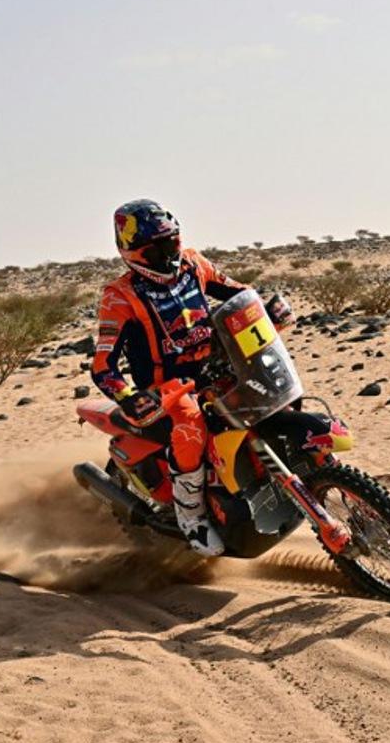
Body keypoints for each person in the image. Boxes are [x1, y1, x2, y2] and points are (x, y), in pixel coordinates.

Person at [90, 199, 293, 556]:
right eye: (156, 250)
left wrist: (268, 307)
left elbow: (239, 294)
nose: (168, 256)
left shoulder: (194, 263)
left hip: (215, 364)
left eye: (172, 243)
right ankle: (192, 513)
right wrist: (128, 396)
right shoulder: (119, 297)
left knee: (268, 387)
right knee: (192, 424)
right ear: (132, 253)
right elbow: (103, 365)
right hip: (165, 387)